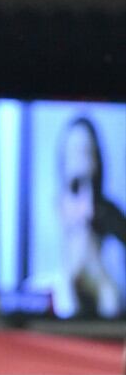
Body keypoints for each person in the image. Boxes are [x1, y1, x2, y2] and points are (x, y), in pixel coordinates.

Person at [53, 116, 125, 319]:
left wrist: (98, 269)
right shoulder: (54, 212)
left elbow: (113, 308)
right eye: (75, 152)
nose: (81, 161)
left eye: (87, 152)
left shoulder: (113, 215)